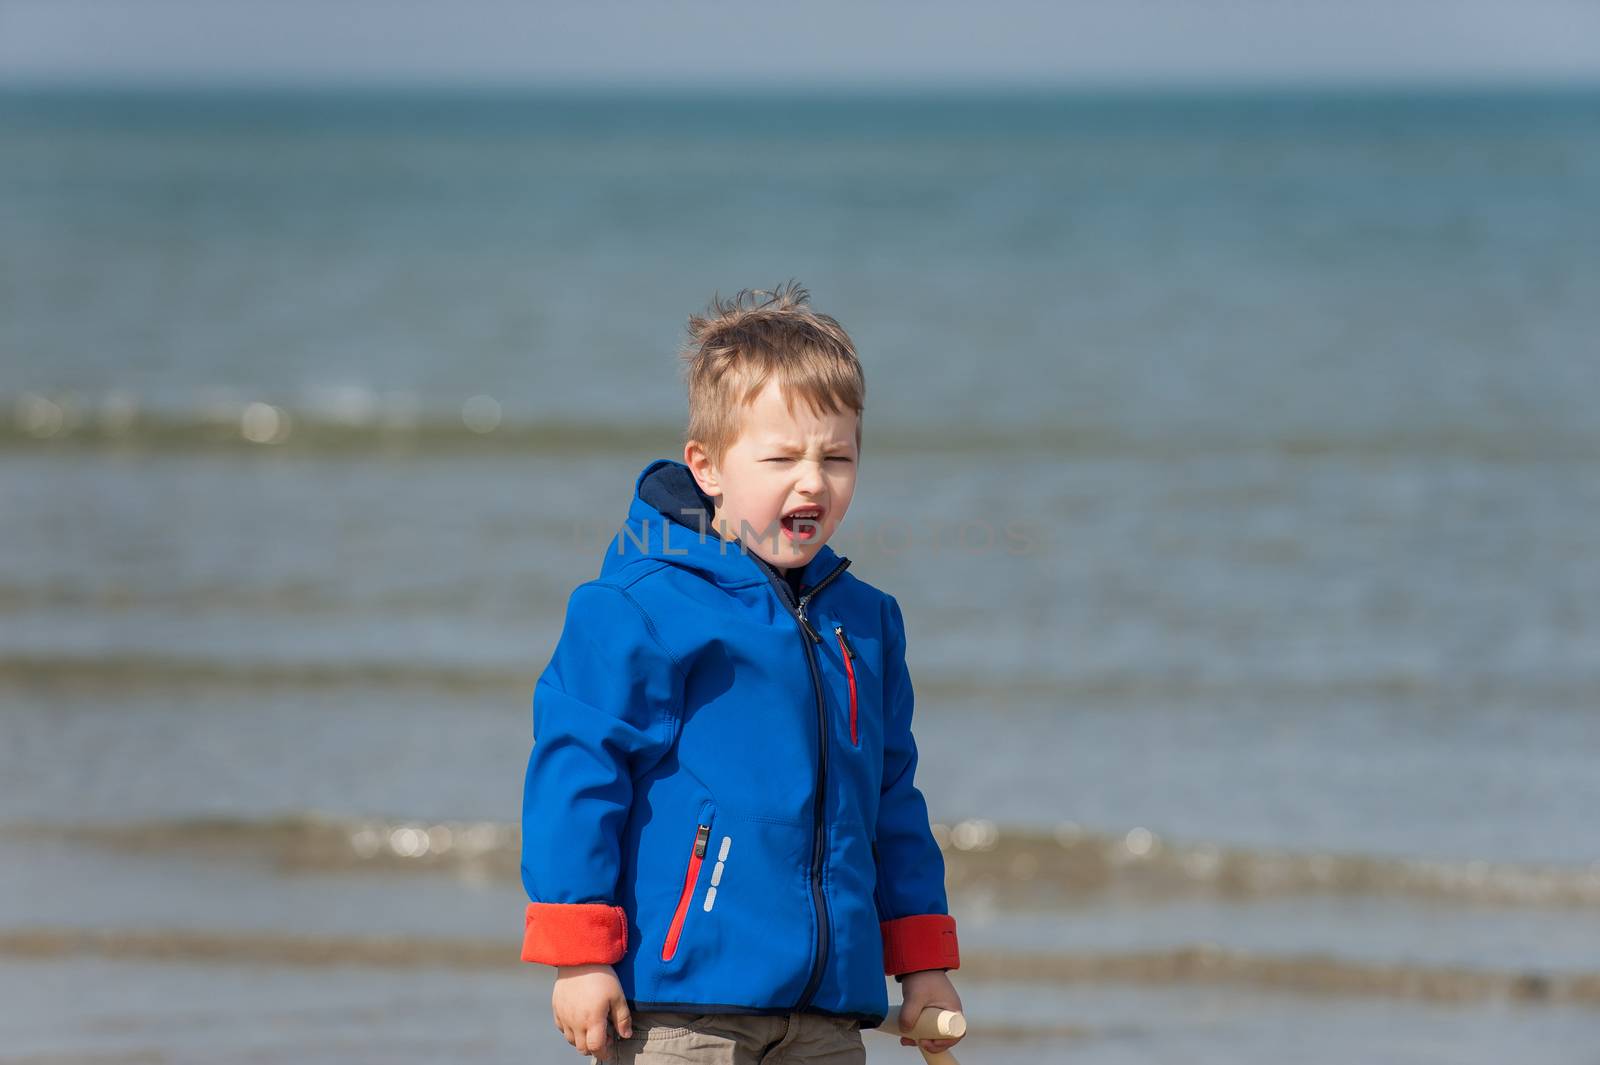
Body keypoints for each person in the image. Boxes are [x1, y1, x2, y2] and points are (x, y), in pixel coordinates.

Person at [520, 283, 964, 1064]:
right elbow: (578, 775)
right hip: (680, 1006)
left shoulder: (866, 621)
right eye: (782, 457)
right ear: (708, 466)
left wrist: (923, 961)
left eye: (837, 456)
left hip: (829, 1011)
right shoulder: (636, 605)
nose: (812, 481)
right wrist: (580, 953)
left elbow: (893, 802)